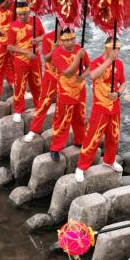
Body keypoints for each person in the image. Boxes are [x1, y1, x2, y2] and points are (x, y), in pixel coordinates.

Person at [74, 36, 124, 182]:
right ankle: (81, 167)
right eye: (114, 49)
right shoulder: (97, 62)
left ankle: (109, 160)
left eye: (118, 50)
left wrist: (118, 93)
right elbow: (93, 75)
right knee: (92, 138)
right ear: (106, 48)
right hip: (100, 108)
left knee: (113, 137)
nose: (117, 52)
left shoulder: (119, 64)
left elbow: (124, 82)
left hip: (114, 107)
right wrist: (109, 61)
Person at [47, 27, 88, 160]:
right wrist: (78, 57)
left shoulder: (79, 49)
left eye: (72, 39)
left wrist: (84, 75)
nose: (70, 43)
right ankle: (55, 148)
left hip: (80, 90)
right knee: (62, 119)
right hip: (65, 92)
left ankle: (80, 141)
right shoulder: (57, 54)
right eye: (67, 40)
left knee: (80, 118)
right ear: (61, 41)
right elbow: (67, 72)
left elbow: (89, 66)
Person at [5, 1, 44, 122]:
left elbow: (44, 35)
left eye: (25, 14)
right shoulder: (13, 26)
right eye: (20, 14)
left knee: (37, 84)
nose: (22, 17)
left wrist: (38, 39)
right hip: (21, 60)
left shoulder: (36, 21)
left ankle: (39, 106)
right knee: (19, 85)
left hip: (35, 59)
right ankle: (18, 110)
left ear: (29, 12)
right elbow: (10, 47)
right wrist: (26, 52)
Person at [22, 23, 59, 143]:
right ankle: (33, 130)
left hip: (66, 79)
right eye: (63, 25)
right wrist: (55, 47)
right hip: (51, 76)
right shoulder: (48, 37)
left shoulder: (71, 39)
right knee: (43, 103)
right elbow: (47, 58)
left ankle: (71, 137)